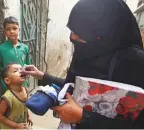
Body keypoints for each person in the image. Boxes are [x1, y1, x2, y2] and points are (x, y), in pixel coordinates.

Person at [22, 0, 144, 129]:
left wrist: (83, 117)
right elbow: (79, 87)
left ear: (104, 31)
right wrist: (42, 76)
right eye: (72, 30)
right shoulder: (86, 49)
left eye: (80, 33)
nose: (73, 37)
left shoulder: (134, 62)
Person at [0, 16, 31, 91]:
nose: (11, 31)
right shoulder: (1, 49)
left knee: (23, 100)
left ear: (19, 30)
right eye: (8, 29)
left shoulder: (24, 48)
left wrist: (26, 77)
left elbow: (27, 66)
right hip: (8, 85)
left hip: (22, 83)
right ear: (5, 32)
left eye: (14, 28)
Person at [0, 63, 33, 129]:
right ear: (7, 80)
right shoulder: (7, 97)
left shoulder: (25, 90)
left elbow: (24, 106)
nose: (21, 71)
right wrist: (16, 126)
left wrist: (28, 117)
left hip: (21, 125)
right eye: (15, 71)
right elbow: (0, 116)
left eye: (21, 69)